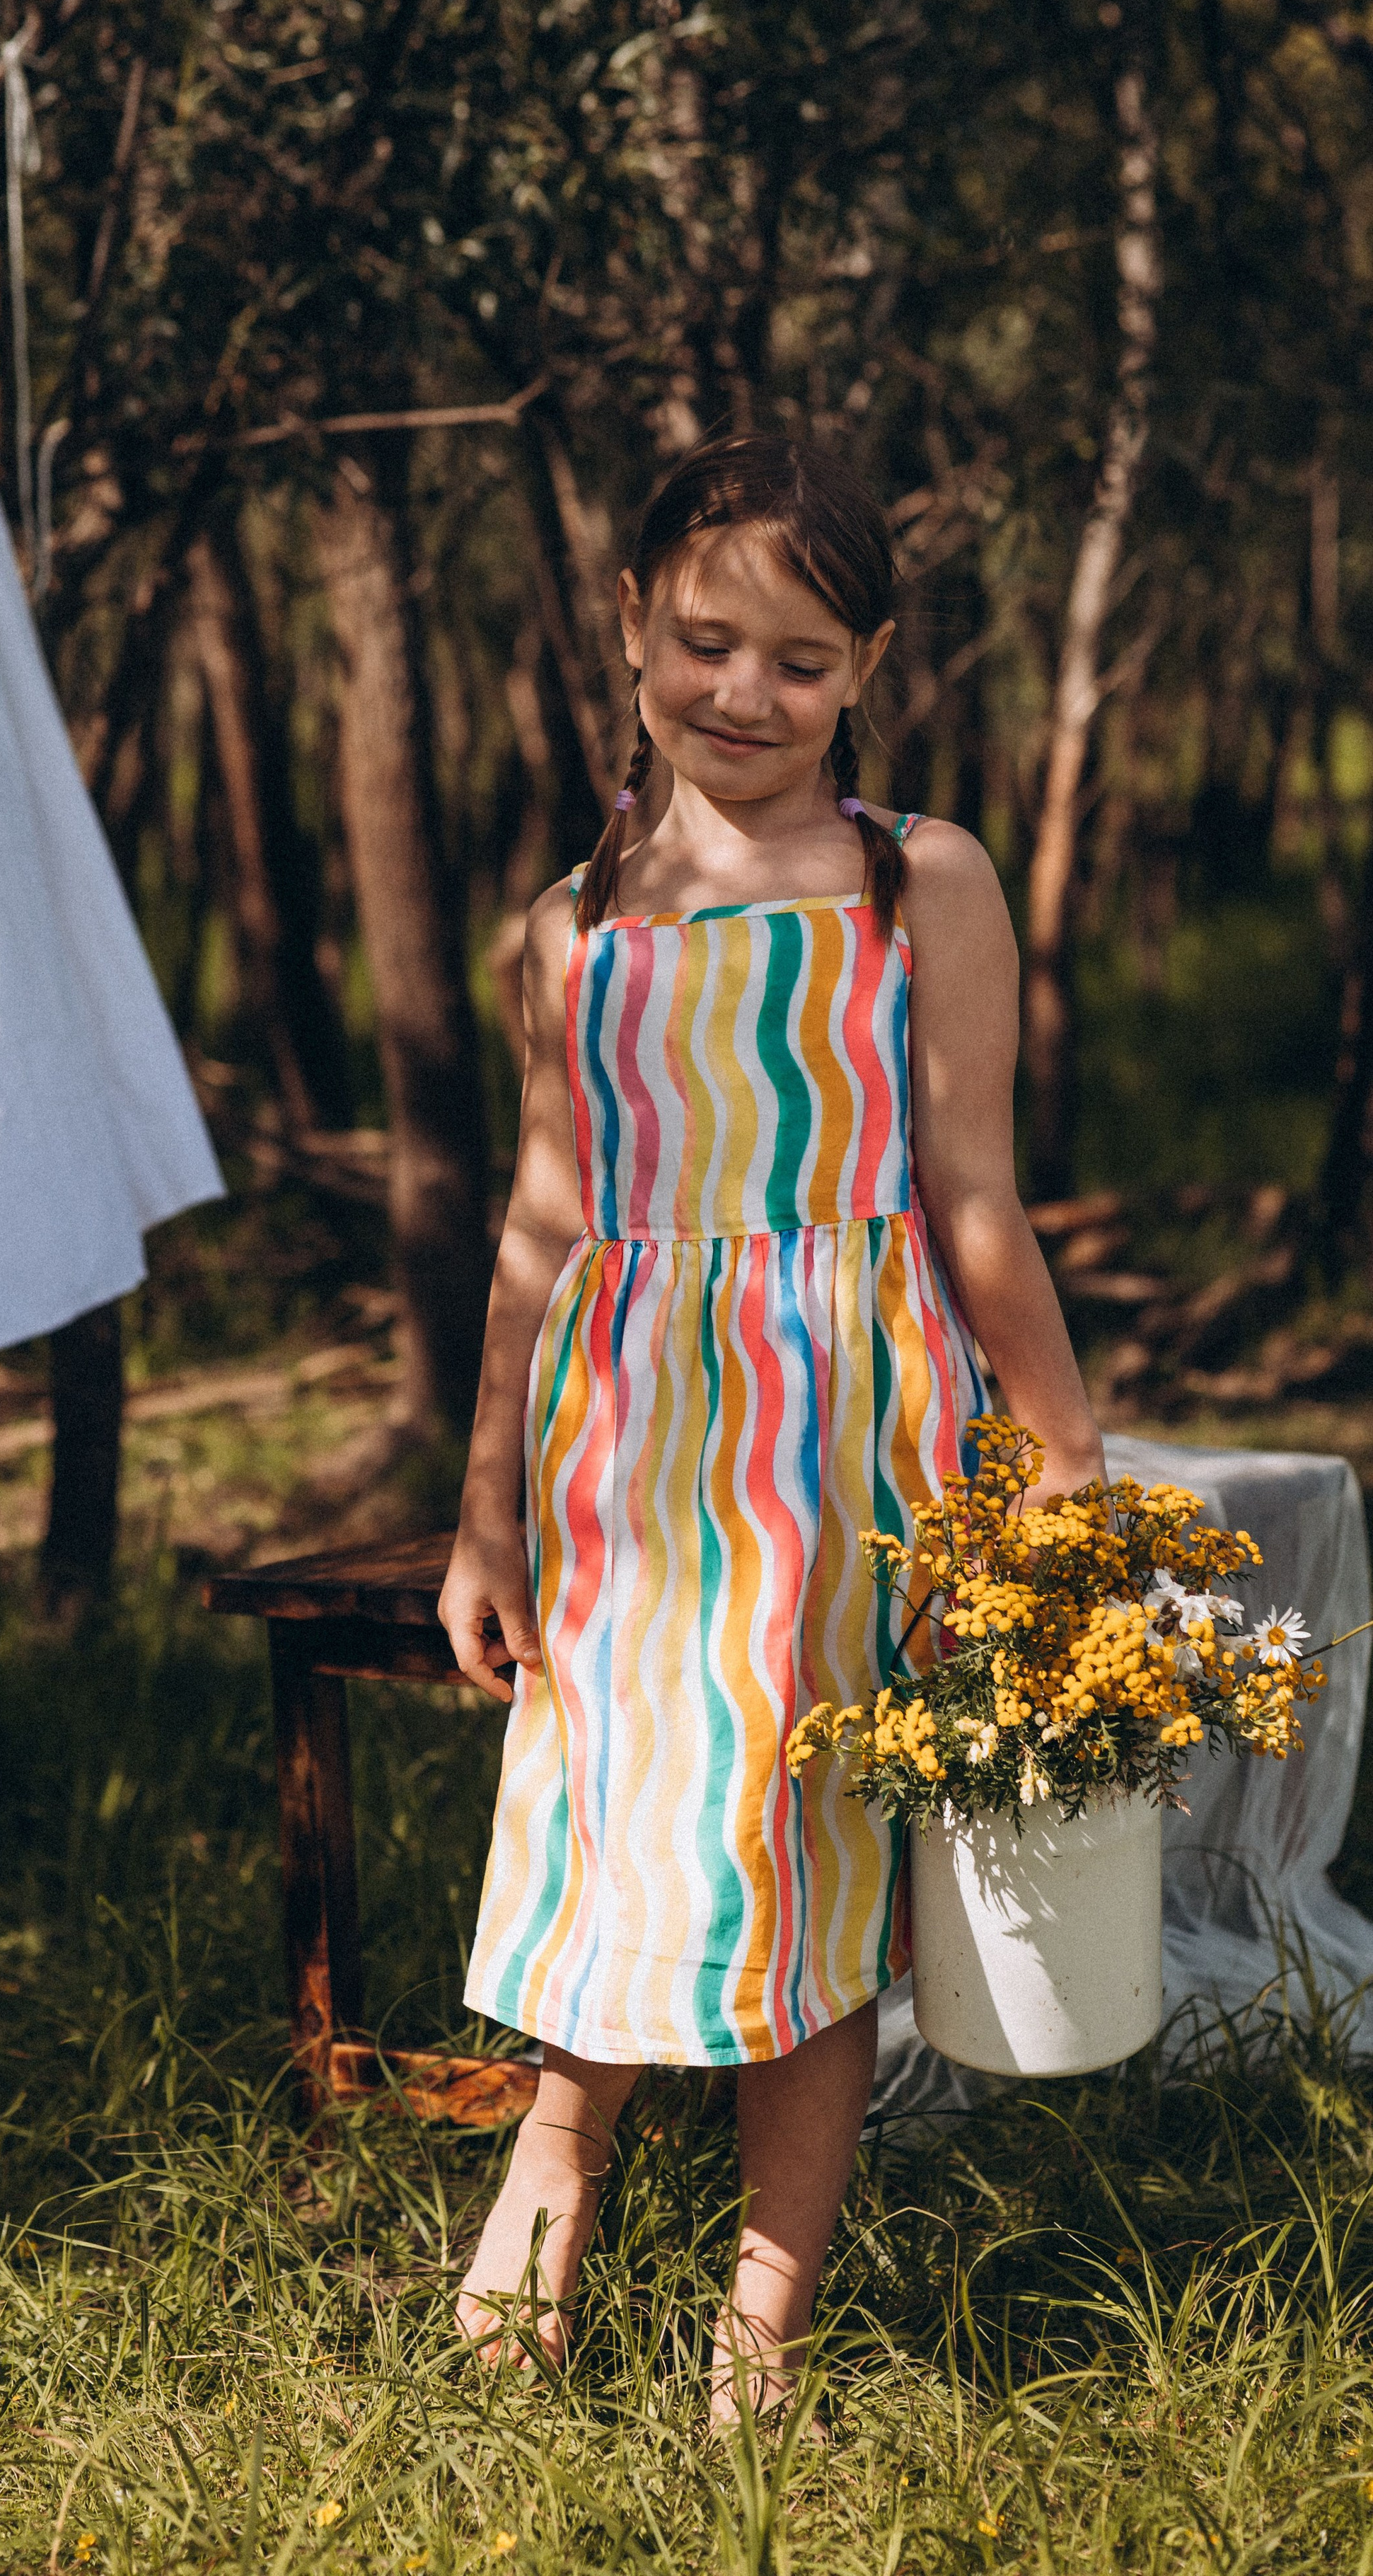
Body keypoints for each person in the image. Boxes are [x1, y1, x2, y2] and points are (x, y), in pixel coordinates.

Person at [436, 432, 1105, 2423]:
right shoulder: (570, 925)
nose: (745, 695)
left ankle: (762, 2349)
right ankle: (532, 2241)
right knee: (608, 1841)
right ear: (633, 627)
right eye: (707, 641)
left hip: (848, 1446)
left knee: (808, 1866)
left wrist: (1063, 1468)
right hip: (629, 1453)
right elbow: (544, 1223)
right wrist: (484, 1515)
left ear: (871, 665)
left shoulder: (924, 882)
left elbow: (976, 1192)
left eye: (800, 661)